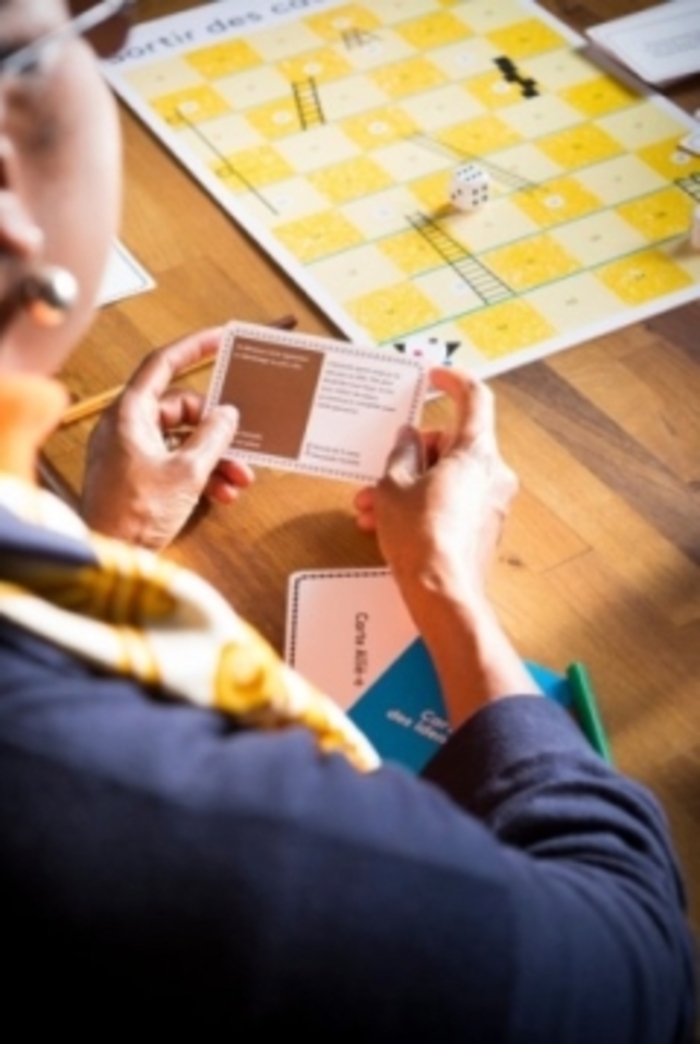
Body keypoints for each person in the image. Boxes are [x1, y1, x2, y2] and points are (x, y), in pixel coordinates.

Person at [0, 2, 695, 1039]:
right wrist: (448, 589)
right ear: (9, 203)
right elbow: (630, 971)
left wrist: (103, 542)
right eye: (79, 39)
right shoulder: (104, 787)